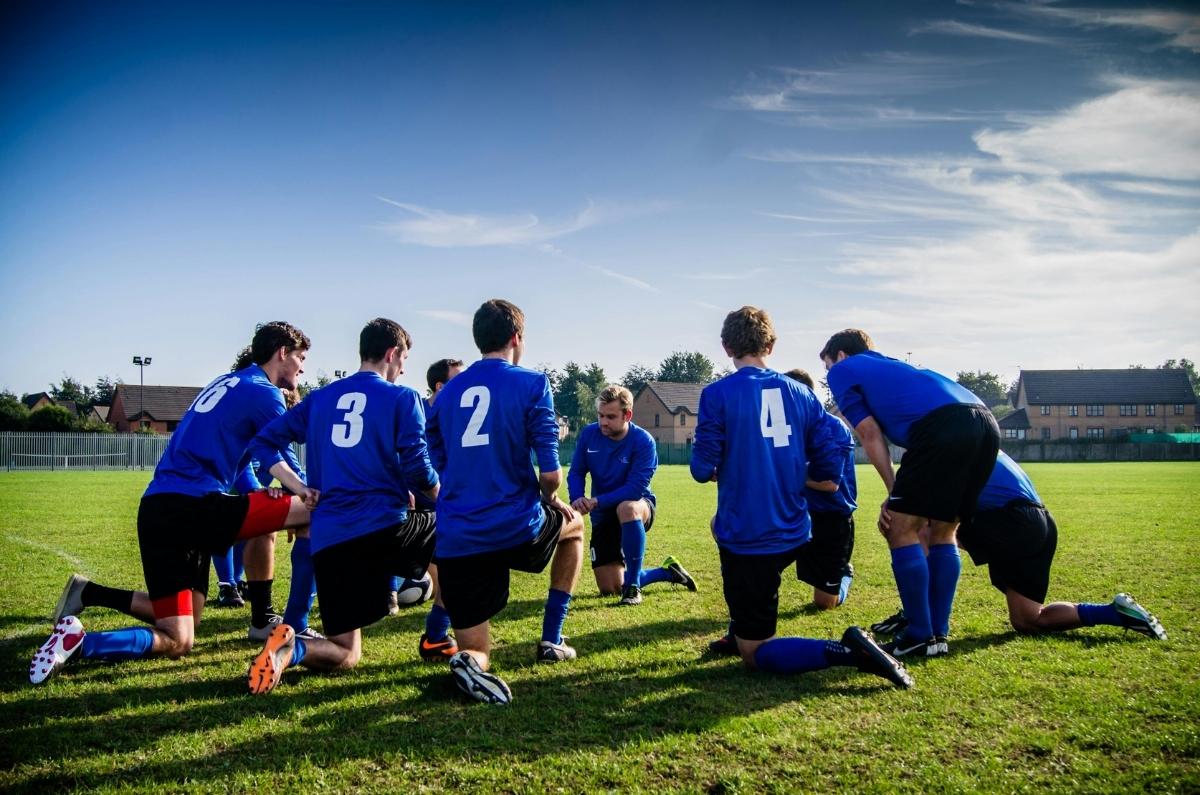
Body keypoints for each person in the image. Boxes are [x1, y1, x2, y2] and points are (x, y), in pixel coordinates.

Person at [31, 322, 315, 685]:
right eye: (300, 358)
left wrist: (269, 499)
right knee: (311, 510)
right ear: (281, 353)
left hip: (158, 509)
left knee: (180, 635)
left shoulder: (227, 384)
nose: (302, 368)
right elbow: (283, 454)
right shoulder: (264, 393)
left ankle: (80, 637)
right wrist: (304, 494)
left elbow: (238, 465)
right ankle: (280, 623)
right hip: (192, 507)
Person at [690, 307, 912, 690]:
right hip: (796, 528)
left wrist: (715, 464)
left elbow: (700, 467)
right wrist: (815, 474)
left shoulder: (717, 394)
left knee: (755, 653)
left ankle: (848, 652)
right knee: (726, 538)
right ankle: (741, 622)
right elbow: (838, 439)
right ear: (771, 345)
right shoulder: (801, 394)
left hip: (750, 536)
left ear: (726, 347)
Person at [243, 318, 443, 694]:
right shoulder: (403, 398)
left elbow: (262, 443)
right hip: (384, 530)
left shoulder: (320, 399)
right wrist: (446, 498)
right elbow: (418, 467)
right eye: (403, 359)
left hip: (330, 540)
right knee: (458, 538)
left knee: (346, 652)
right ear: (391, 353)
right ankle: (441, 635)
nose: (404, 369)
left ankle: (290, 649)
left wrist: (298, 487)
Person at [427, 299, 585, 705]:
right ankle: (552, 638)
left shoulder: (444, 395)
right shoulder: (532, 383)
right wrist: (550, 499)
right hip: (515, 526)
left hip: (459, 535)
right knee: (576, 528)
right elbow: (550, 474)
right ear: (517, 337)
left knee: (478, 648)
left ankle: (468, 662)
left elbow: (436, 463)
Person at [821, 329, 999, 658]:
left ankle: (919, 632)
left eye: (828, 366)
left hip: (942, 426)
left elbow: (869, 433)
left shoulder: (845, 369)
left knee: (899, 527)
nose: (830, 375)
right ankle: (937, 635)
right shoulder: (890, 367)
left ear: (840, 356)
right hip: (985, 422)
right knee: (943, 530)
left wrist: (894, 490)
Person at [870, 452, 1167, 641]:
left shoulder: (944, 446)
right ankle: (1113, 613)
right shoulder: (974, 436)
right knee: (1028, 620)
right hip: (1040, 524)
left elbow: (930, 510)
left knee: (920, 530)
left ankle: (918, 619)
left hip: (1012, 520)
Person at [567, 384, 697, 606]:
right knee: (610, 588)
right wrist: (577, 498)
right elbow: (577, 471)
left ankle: (634, 587)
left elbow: (634, 489)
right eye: (600, 415)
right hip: (603, 514)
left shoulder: (643, 441)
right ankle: (667, 572)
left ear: (628, 415)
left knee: (627, 507)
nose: (603, 422)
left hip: (638, 508)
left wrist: (596, 501)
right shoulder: (590, 434)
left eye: (610, 416)